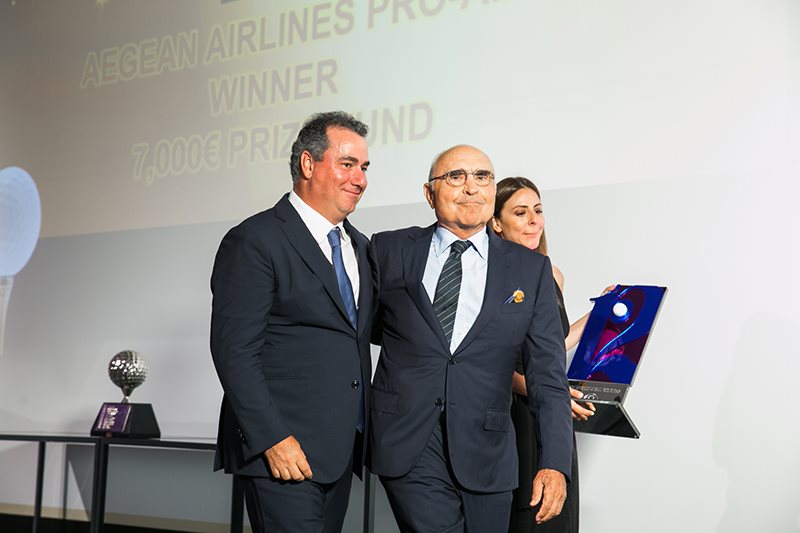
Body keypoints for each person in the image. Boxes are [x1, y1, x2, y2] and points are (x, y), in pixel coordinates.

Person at [369, 145, 573, 533]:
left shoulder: (531, 270)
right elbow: (368, 329)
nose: (471, 187)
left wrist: (555, 463)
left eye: (482, 177)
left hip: (489, 452)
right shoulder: (388, 249)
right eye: (455, 176)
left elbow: (547, 375)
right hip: (408, 442)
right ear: (429, 193)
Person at [209, 111, 373, 533]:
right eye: (348, 164)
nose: (360, 179)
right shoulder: (255, 239)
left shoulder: (360, 246)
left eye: (364, 167)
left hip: (339, 454)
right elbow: (234, 352)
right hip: (282, 453)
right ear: (307, 164)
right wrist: (272, 439)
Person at [491, 176, 612, 533]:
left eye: (538, 210)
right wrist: (548, 392)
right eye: (520, 212)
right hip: (510, 415)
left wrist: (599, 314)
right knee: (524, 516)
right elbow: (485, 361)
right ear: (496, 223)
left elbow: (550, 347)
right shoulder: (489, 276)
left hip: (549, 412)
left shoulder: (552, 274)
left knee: (558, 516)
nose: (534, 221)